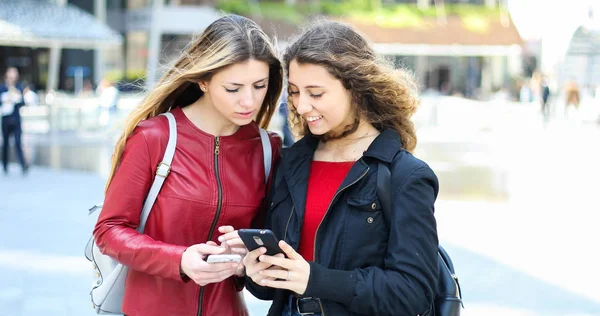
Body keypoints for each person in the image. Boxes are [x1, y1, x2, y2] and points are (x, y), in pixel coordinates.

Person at [244, 20, 439, 316]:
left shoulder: (405, 175)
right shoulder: (289, 163)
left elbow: (414, 293)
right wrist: (256, 274)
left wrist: (317, 280)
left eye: (316, 93)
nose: (301, 105)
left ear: (355, 87)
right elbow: (271, 288)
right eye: (295, 92)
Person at [93, 15, 283, 316]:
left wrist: (247, 253)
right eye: (233, 88)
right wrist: (178, 260)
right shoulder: (154, 137)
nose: (249, 101)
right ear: (203, 80)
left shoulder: (267, 148)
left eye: (259, 85)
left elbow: (264, 237)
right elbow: (108, 231)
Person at [0, 67, 29, 175]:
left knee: (18, 142)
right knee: (6, 143)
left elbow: (22, 103)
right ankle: (5, 166)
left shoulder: (18, 87)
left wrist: (16, 98)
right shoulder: (2, 88)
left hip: (16, 120)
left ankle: (23, 165)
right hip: (6, 120)